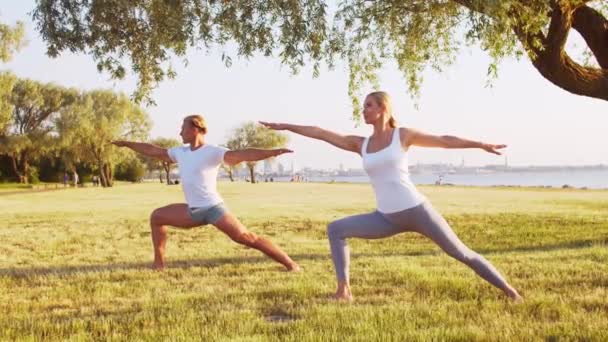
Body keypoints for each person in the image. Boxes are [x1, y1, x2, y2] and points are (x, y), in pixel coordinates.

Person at [260, 91, 522, 302]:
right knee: (336, 229)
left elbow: (444, 140)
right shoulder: (360, 144)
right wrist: (286, 126)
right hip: (386, 218)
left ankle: (510, 291)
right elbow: (320, 132)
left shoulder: (402, 135)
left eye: (369, 105)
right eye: (363, 106)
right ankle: (344, 291)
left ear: (383, 108)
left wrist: (480, 144)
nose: (364, 110)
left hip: (418, 211)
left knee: (462, 254)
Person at [113, 114, 300, 272]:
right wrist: (127, 144)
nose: (179, 133)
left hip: (212, 208)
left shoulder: (213, 152)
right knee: (157, 217)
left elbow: (243, 154)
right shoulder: (181, 152)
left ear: (195, 129)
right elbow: (154, 151)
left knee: (247, 238)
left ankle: (291, 264)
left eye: (182, 129)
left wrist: (273, 152)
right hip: (192, 212)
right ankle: (159, 265)